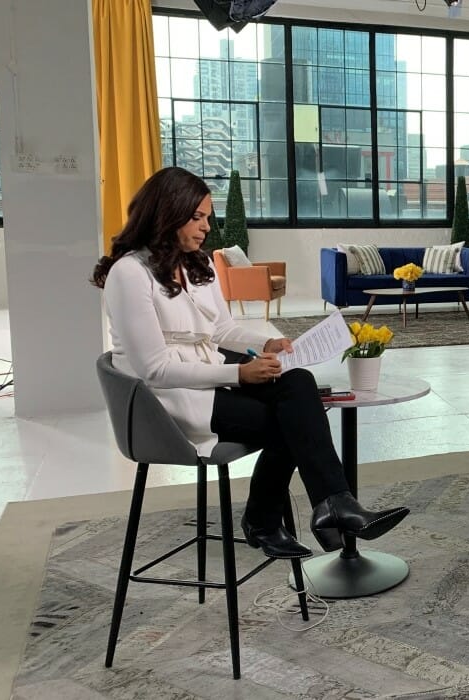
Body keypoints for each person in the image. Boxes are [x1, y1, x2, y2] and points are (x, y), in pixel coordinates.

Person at [91, 167, 408, 559]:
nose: (207, 226)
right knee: (293, 420)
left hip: (208, 380)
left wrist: (268, 341)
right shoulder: (129, 274)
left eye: (209, 217)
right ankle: (275, 516)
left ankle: (331, 505)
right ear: (166, 213)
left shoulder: (197, 264)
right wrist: (238, 373)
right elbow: (154, 369)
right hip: (168, 402)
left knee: (298, 385)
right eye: (197, 217)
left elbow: (223, 330)